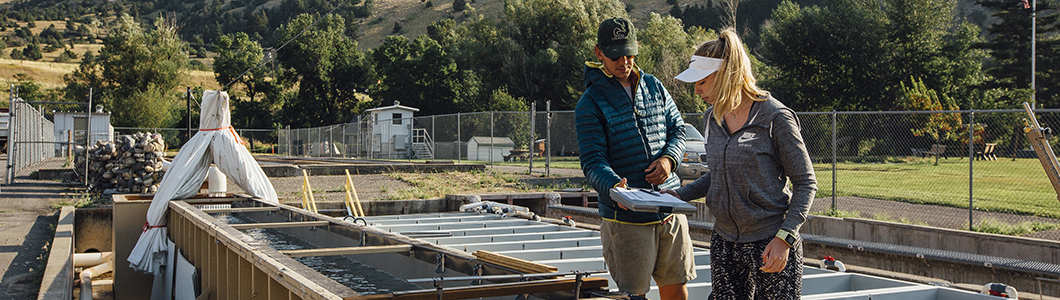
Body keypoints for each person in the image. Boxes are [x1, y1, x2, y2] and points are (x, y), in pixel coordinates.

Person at [663, 28, 817, 299]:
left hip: (770, 242)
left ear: (724, 75)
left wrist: (786, 237)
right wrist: (678, 195)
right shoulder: (712, 118)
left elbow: (806, 183)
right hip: (724, 243)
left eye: (701, 82)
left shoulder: (775, 117)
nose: (696, 91)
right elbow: (719, 175)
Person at [575, 17, 695, 300]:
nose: (624, 61)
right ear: (599, 52)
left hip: (669, 208)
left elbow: (678, 130)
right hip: (626, 218)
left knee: (677, 287)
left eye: (629, 53)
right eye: (615, 55)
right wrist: (615, 187)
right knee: (633, 295)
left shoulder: (654, 86)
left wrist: (669, 160)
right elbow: (593, 162)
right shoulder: (590, 102)